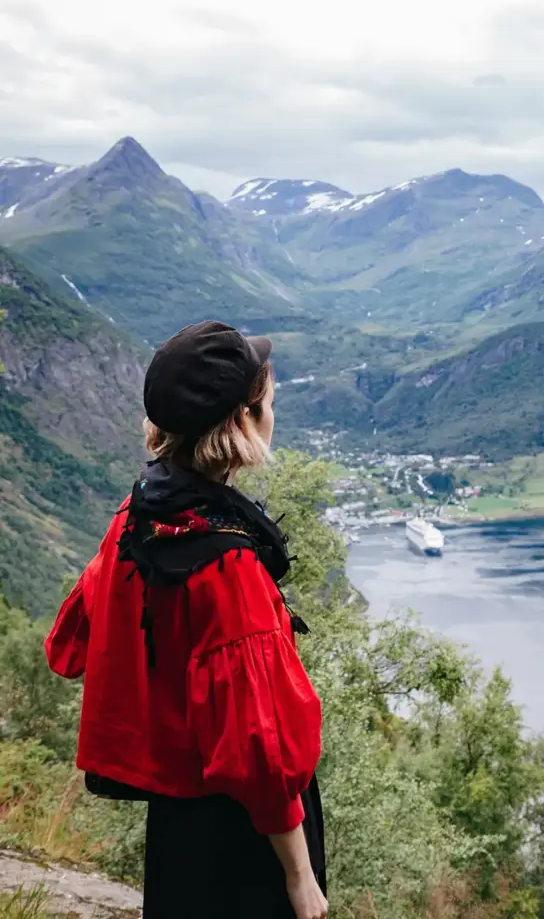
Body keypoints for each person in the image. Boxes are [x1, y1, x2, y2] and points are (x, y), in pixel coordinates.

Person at [45, 320, 328, 919]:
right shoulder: (229, 566)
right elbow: (260, 754)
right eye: (269, 402)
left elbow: (67, 648)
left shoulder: (138, 514)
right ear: (244, 420)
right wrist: (300, 877)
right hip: (246, 834)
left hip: (175, 819)